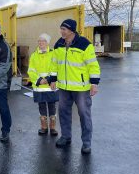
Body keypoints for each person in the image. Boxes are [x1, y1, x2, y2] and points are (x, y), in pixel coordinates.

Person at [51, 19, 100, 154]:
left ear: (72, 30)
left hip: (81, 88)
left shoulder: (84, 44)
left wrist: (94, 83)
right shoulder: (58, 44)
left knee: (84, 114)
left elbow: (93, 65)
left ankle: (86, 143)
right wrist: (53, 79)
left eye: (64, 29)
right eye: (61, 28)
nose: (61, 31)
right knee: (63, 112)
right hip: (64, 88)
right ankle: (66, 137)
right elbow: (54, 63)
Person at [28, 33, 59, 136]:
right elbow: (31, 70)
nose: (41, 43)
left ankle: (53, 128)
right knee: (41, 106)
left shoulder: (53, 54)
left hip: (50, 86)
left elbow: (55, 68)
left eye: (43, 41)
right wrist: (39, 80)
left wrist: (48, 79)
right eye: (39, 41)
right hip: (39, 87)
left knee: (52, 106)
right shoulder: (33, 55)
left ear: (47, 43)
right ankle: (44, 127)